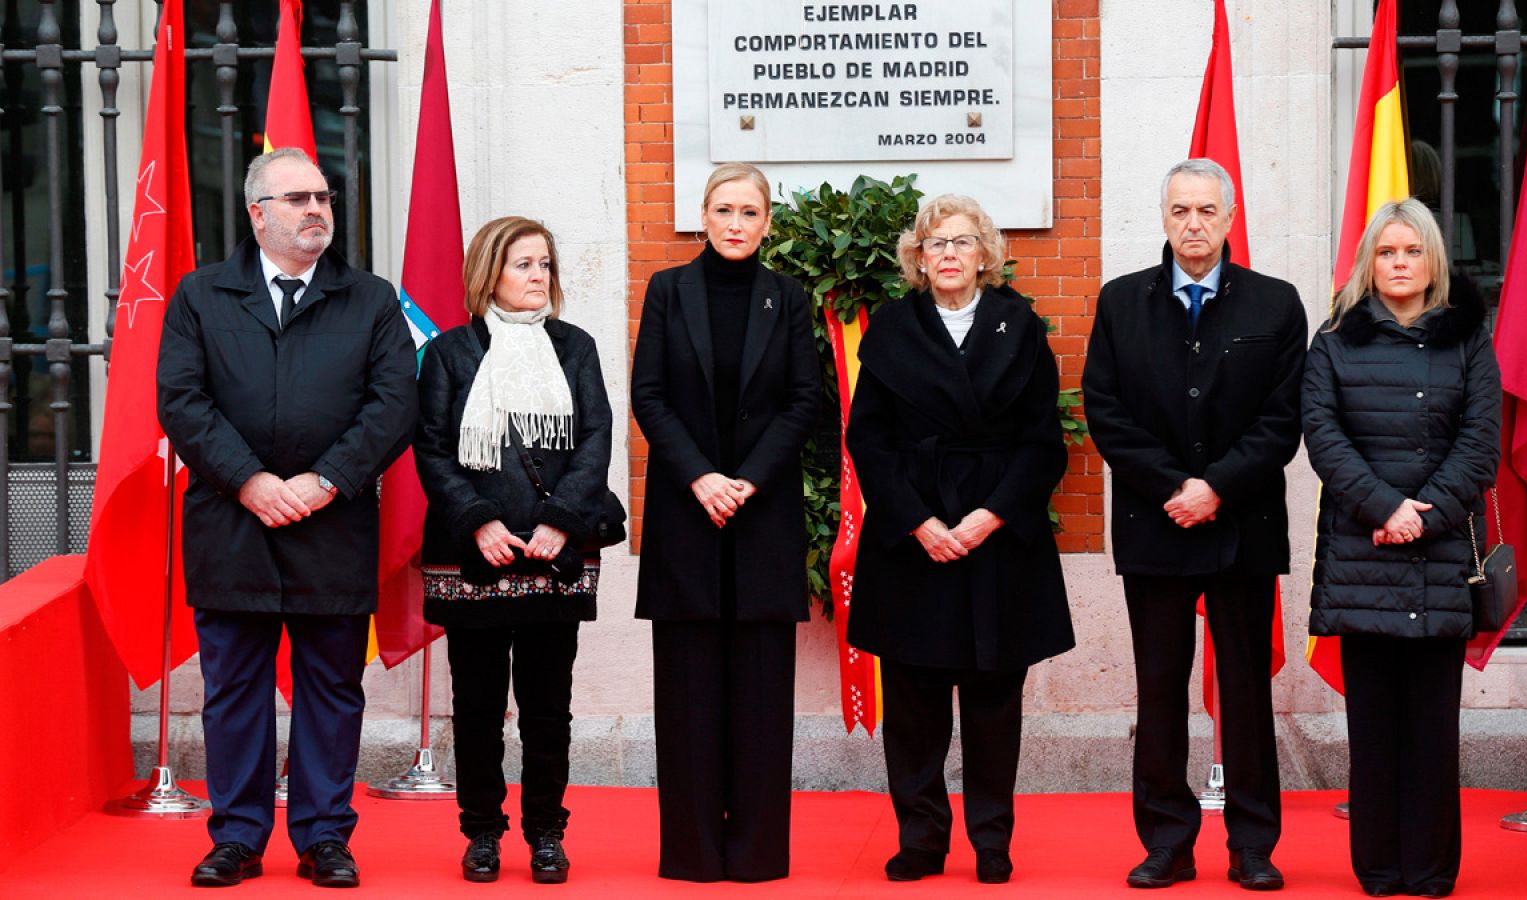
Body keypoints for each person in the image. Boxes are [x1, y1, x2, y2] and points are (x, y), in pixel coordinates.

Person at [158, 147, 418, 888]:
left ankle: (324, 837)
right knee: (234, 689)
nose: (315, 210)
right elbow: (181, 400)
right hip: (230, 523)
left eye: (324, 198)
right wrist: (249, 482)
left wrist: (325, 480)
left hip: (329, 525)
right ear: (257, 213)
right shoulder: (201, 296)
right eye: (297, 198)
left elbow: (394, 403)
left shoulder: (369, 298)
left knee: (331, 689)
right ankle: (236, 836)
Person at [1083, 158, 1306, 891]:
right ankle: (1166, 843)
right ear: (1163, 216)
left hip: (1241, 526)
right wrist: (1173, 486)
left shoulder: (1275, 305)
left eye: (1207, 210)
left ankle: (1252, 846)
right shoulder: (1121, 303)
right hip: (1155, 525)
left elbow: (1283, 421)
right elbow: (1106, 414)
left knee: (1246, 692)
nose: (1194, 224)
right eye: (1180, 210)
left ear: (1231, 217)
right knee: (1159, 692)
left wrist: (1215, 488)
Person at [844, 195, 1074, 885]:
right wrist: (919, 521)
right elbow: (868, 440)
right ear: (917, 257)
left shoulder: (1021, 326)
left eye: (962, 241)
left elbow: (1043, 443)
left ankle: (992, 839)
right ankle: (921, 837)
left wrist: (989, 516)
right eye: (935, 242)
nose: (948, 253)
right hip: (914, 536)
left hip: (997, 538)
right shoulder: (889, 328)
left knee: (994, 699)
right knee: (912, 701)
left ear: (986, 254)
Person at [1302, 198, 1499, 899]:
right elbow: (1322, 435)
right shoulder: (1334, 338)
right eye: (1386, 252)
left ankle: (1432, 869)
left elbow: (1481, 445)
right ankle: (1380, 869)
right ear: (1369, 262)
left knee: (1431, 730)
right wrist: (1385, 507)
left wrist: (1426, 514)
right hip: (1364, 553)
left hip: (1439, 555)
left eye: (1411, 251)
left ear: (1432, 260)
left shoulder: (1469, 338)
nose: (1398, 263)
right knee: (1376, 729)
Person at [630, 162, 822, 882]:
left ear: (767, 222)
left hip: (762, 518)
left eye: (749, 212)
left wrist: (748, 480)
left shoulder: (789, 297)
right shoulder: (668, 291)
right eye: (723, 210)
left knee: (762, 699)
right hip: (687, 519)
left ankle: (757, 854)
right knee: (687, 699)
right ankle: (692, 854)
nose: (736, 224)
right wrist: (701, 476)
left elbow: (803, 400)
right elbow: (650, 394)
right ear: (703, 217)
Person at [413, 217, 616, 884]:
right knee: (475, 707)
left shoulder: (575, 348)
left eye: (545, 265)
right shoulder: (449, 353)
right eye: (524, 264)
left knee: (547, 709)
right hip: (473, 555)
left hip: (554, 557)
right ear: (489, 274)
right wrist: (478, 522)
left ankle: (546, 833)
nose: (539, 277)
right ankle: (482, 833)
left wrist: (560, 520)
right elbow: (434, 450)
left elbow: (595, 441)